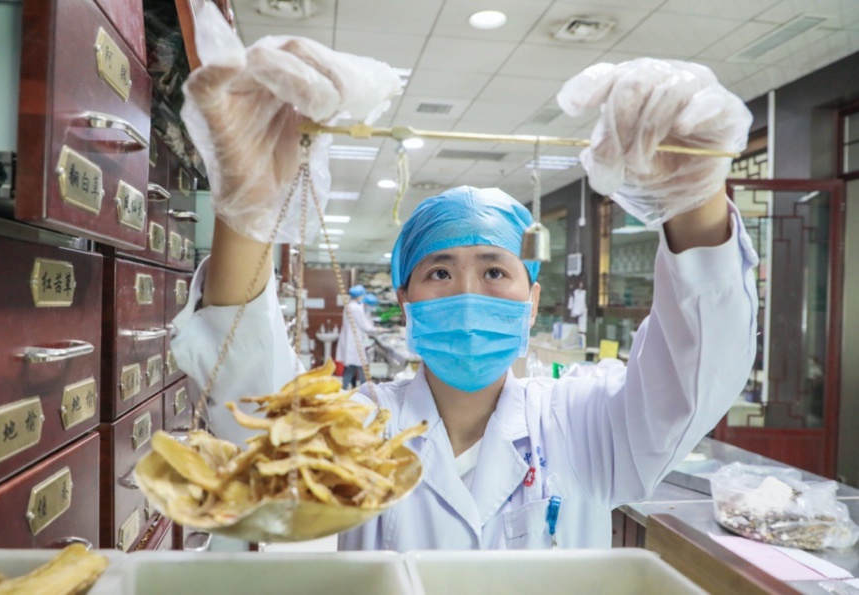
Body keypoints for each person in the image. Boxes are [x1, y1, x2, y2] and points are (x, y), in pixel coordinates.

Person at [171, 7, 757, 550]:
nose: (468, 293)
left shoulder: (586, 422)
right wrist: (245, 215)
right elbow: (246, 410)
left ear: (532, 299)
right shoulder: (357, 429)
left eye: (496, 270)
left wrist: (695, 199)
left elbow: (695, 378)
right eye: (440, 271)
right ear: (405, 299)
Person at [336, 284, 377, 389]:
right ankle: (365, 391)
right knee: (360, 367)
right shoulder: (356, 308)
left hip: (351, 341)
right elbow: (365, 326)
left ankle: (344, 390)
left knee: (351, 367)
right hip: (354, 343)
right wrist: (378, 330)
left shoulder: (349, 306)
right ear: (360, 296)